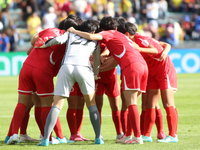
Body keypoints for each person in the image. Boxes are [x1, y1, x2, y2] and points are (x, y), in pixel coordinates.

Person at [67, 16, 158, 144]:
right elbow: (114, 63)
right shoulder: (121, 38)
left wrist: (73, 31)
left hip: (131, 67)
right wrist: (95, 72)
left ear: (102, 28)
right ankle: (127, 135)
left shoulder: (109, 33)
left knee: (131, 103)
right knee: (132, 103)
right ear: (115, 26)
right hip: (142, 66)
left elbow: (92, 37)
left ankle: (137, 137)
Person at [6, 15, 81, 145]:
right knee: (48, 104)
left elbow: (32, 45)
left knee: (22, 103)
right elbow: (59, 65)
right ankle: (49, 137)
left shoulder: (49, 30)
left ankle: (13, 135)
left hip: (26, 67)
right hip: (42, 70)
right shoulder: (67, 41)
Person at [37, 19, 103, 146]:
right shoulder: (95, 40)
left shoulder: (71, 33)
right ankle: (98, 137)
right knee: (91, 105)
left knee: (56, 105)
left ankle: (46, 139)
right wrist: (95, 75)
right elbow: (96, 61)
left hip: (66, 67)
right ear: (93, 31)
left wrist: (44, 44)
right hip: (84, 68)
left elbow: (58, 40)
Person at [117, 22, 178, 143]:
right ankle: (147, 135)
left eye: (121, 35)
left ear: (127, 34)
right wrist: (166, 50)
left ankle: (173, 135)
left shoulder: (139, 39)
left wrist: (139, 48)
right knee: (149, 103)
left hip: (164, 70)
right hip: (152, 72)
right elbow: (163, 44)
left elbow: (155, 50)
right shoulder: (139, 38)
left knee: (167, 102)